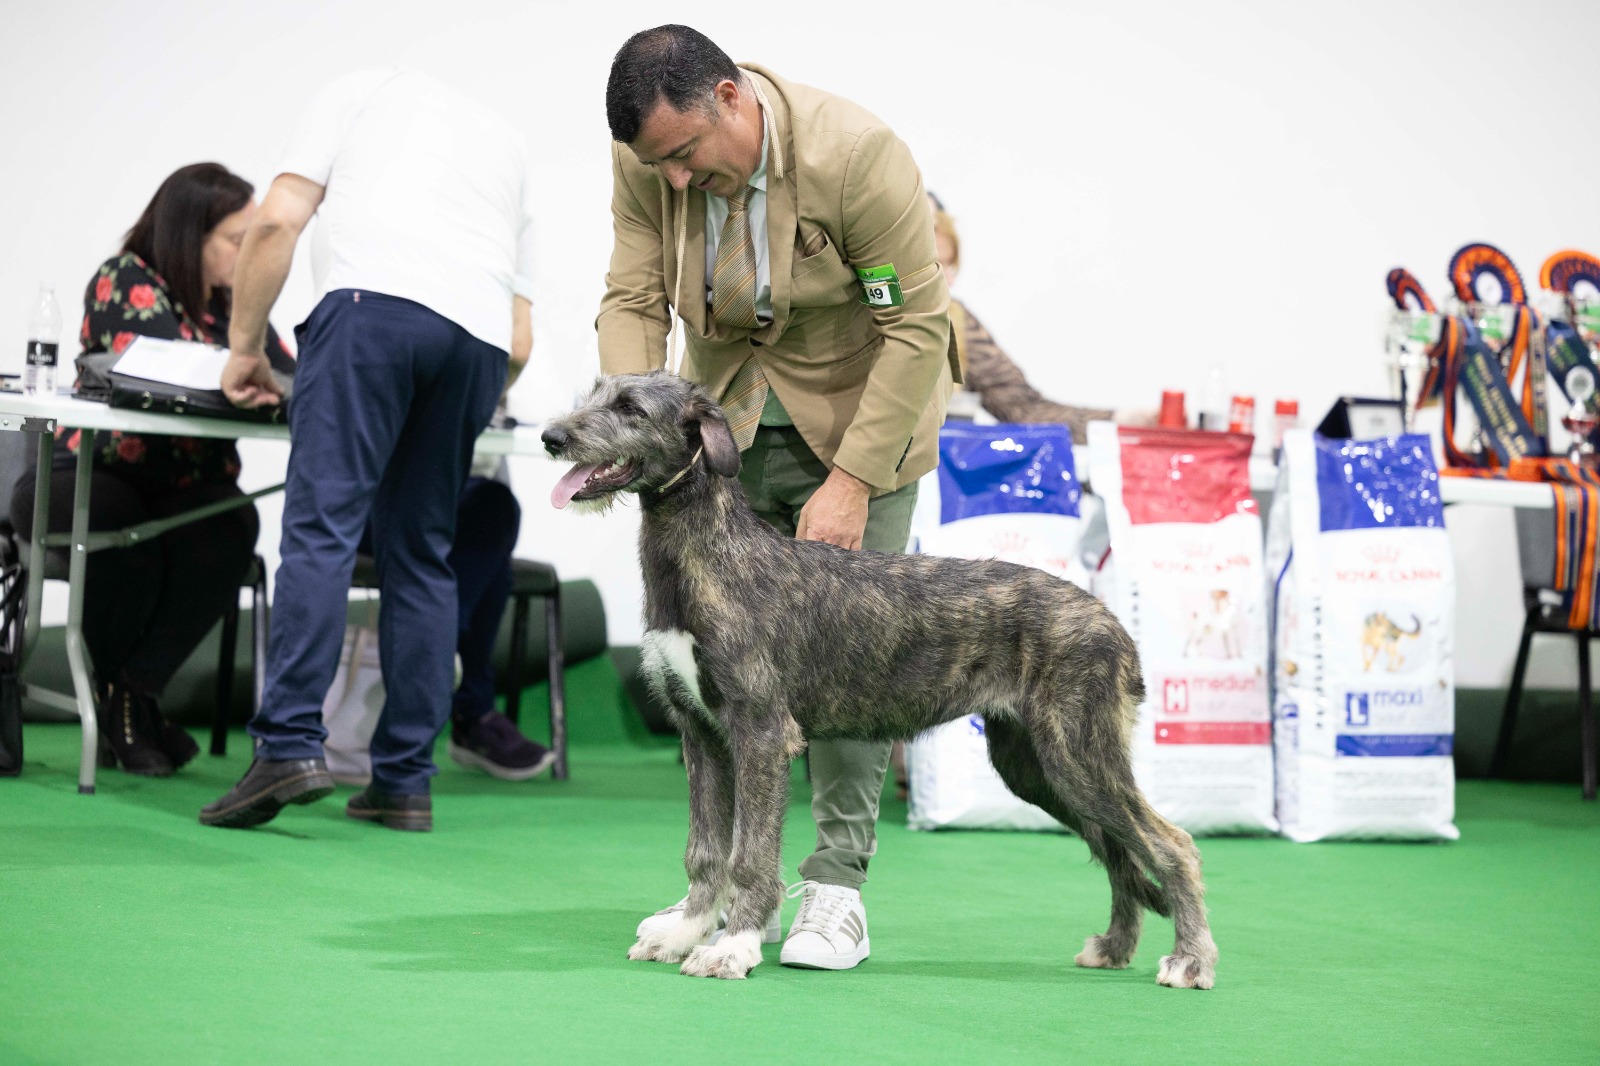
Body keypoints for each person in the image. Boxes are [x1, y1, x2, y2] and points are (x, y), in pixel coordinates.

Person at [600, 26, 957, 970]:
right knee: (717, 672)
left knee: (852, 659)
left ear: (729, 97)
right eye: (655, 165)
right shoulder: (648, 160)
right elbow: (632, 298)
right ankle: (710, 886)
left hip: (862, 421)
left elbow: (917, 329)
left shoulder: (858, 154)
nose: (673, 180)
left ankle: (835, 892)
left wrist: (852, 483)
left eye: (684, 156)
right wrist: (630, 423)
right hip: (728, 427)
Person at [200, 70, 536, 831]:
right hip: (475, 344)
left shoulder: (351, 94)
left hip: (368, 313)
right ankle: (404, 782)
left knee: (322, 531)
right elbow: (520, 339)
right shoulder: (508, 149)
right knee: (423, 553)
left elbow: (278, 224)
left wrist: (246, 347)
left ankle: (287, 745)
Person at [10, 163, 275, 776]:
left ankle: (132, 695)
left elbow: (281, 372)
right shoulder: (124, 280)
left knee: (231, 523)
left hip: (178, 490)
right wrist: (243, 369)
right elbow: (170, 371)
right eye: (238, 240)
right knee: (128, 530)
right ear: (191, 235)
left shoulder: (236, 300)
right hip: (84, 475)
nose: (249, 254)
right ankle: (125, 715)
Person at [932, 195, 1151, 442]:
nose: (950, 281)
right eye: (936, 265)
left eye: (950, 267)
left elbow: (1023, 408)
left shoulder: (956, 320)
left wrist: (1122, 421)